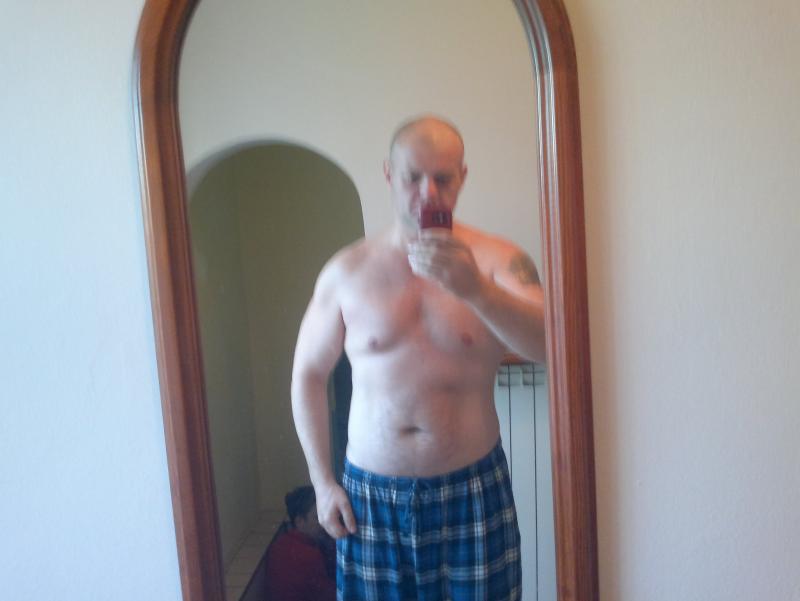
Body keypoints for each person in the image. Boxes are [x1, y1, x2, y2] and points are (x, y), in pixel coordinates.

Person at [291, 115, 545, 601]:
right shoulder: (347, 271)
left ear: (463, 178)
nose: (429, 193)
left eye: (444, 178)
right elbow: (308, 374)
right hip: (370, 500)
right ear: (389, 174)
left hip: (472, 490)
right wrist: (322, 483)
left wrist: (477, 292)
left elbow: (550, 345)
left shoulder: (497, 261)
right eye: (413, 177)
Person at [264, 486, 336, 601]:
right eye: (317, 518)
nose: (323, 523)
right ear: (299, 522)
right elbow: (329, 596)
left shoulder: (280, 543)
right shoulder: (309, 554)